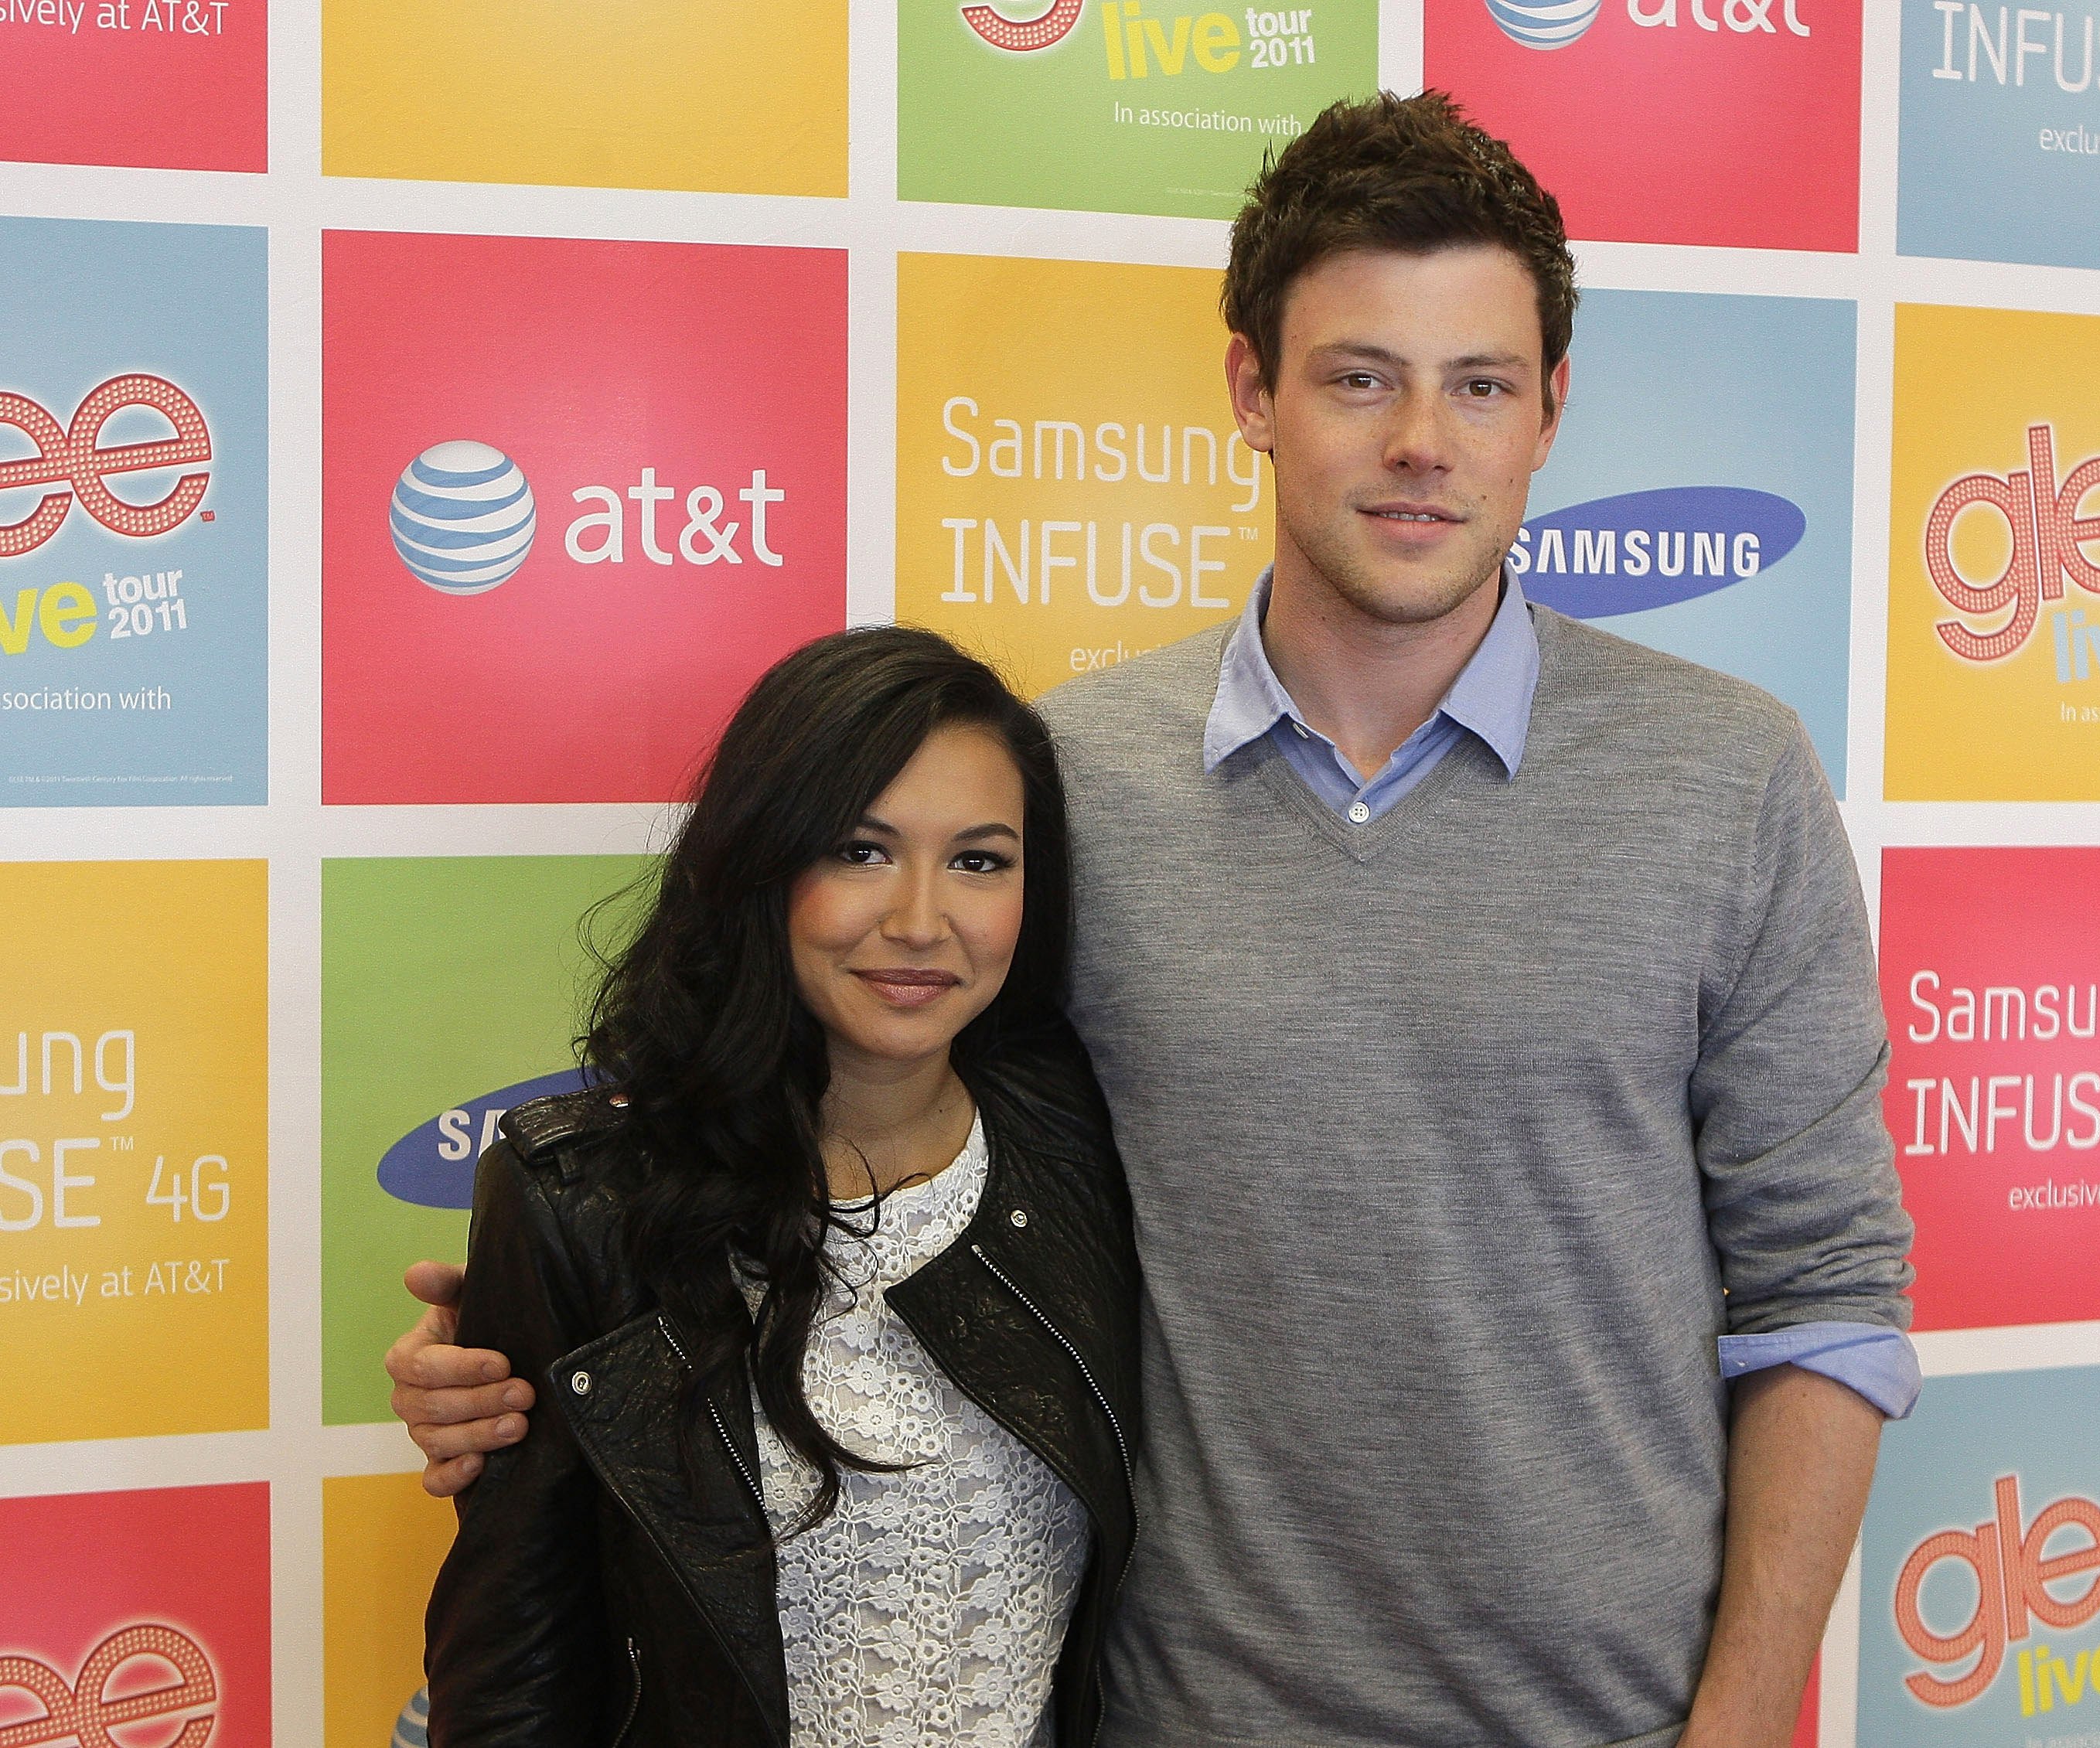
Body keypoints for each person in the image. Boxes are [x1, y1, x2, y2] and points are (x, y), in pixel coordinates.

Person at [393, 91, 1917, 1748]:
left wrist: (1750, 1709)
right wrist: (559, 1340)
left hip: (1611, 1721)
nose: (1423, 439)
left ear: (1549, 409)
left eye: (1479, 383)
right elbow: (860, 1138)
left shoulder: (1730, 772)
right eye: (1359, 377)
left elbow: (1825, 1285)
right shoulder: (1065, 790)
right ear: (1253, 392)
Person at [418, 627, 1139, 1747]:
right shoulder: (583, 1201)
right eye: (860, 849)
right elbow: (517, 1671)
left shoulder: (1083, 1138)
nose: (919, 918)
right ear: (763, 861)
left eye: (980, 859)